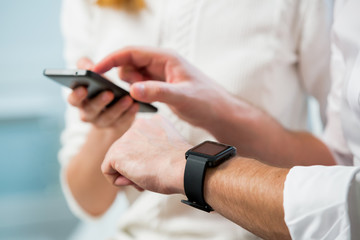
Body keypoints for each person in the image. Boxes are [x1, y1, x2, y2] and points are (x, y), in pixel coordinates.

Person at [59, 0, 332, 239]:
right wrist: (110, 122)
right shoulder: (91, 5)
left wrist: (221, 113)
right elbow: (89, 202)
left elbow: (341, 176)